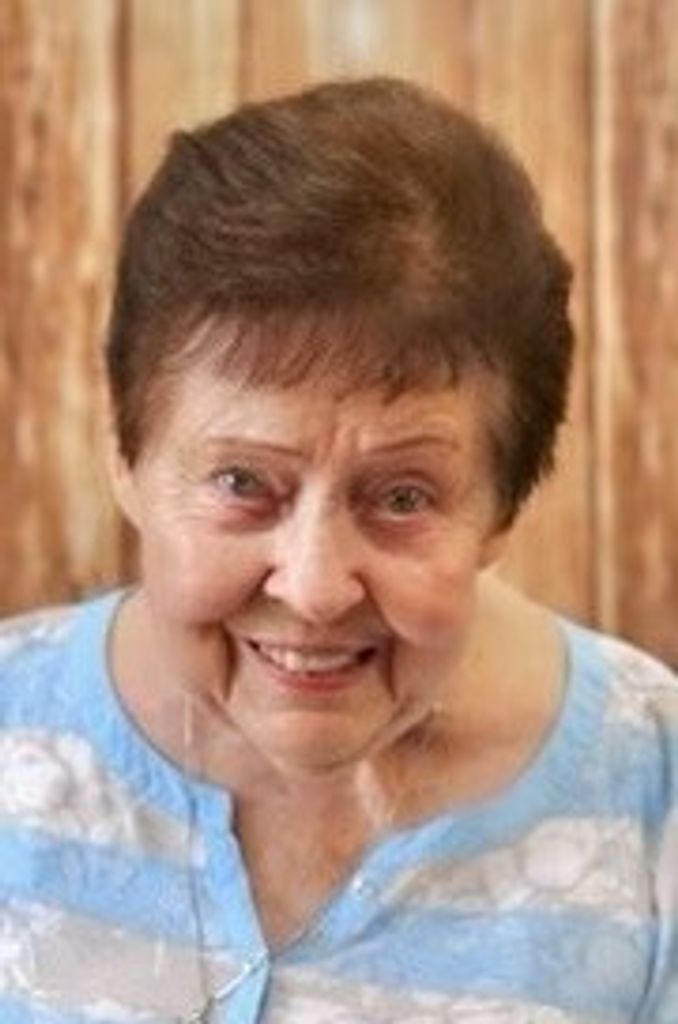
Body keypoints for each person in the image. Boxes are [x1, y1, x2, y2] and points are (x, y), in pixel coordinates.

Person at [0, 76, 675, 1024]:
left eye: (402, 498)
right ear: (126, 456)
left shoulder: (654, 785)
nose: (315, 588)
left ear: (503, 508)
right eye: (243, 482)